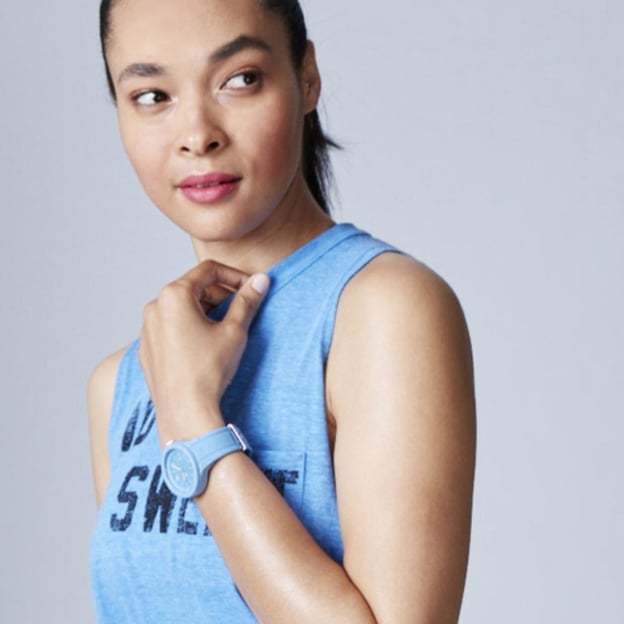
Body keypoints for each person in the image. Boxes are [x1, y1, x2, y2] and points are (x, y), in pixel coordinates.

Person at [88, 0, 476, 622]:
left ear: (307, 77)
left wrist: (193, 423)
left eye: (239, 79)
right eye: (152, 96)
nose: (197, 134)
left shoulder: (383, 312)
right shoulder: (120, 384)